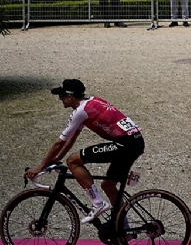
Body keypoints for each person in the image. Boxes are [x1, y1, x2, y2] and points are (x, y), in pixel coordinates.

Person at [25, 79, 144, 223]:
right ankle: (123, 230)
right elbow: (72, 138)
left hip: (125, 143)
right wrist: (57, 159)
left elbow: (59, 142)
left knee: (73, 161)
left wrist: (40, 166)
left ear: (70, 96)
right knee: (108, 186)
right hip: (135, 141)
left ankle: (98, 203)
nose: (60, 99)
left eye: (61, 95)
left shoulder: (80, 111)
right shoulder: (92, 101)